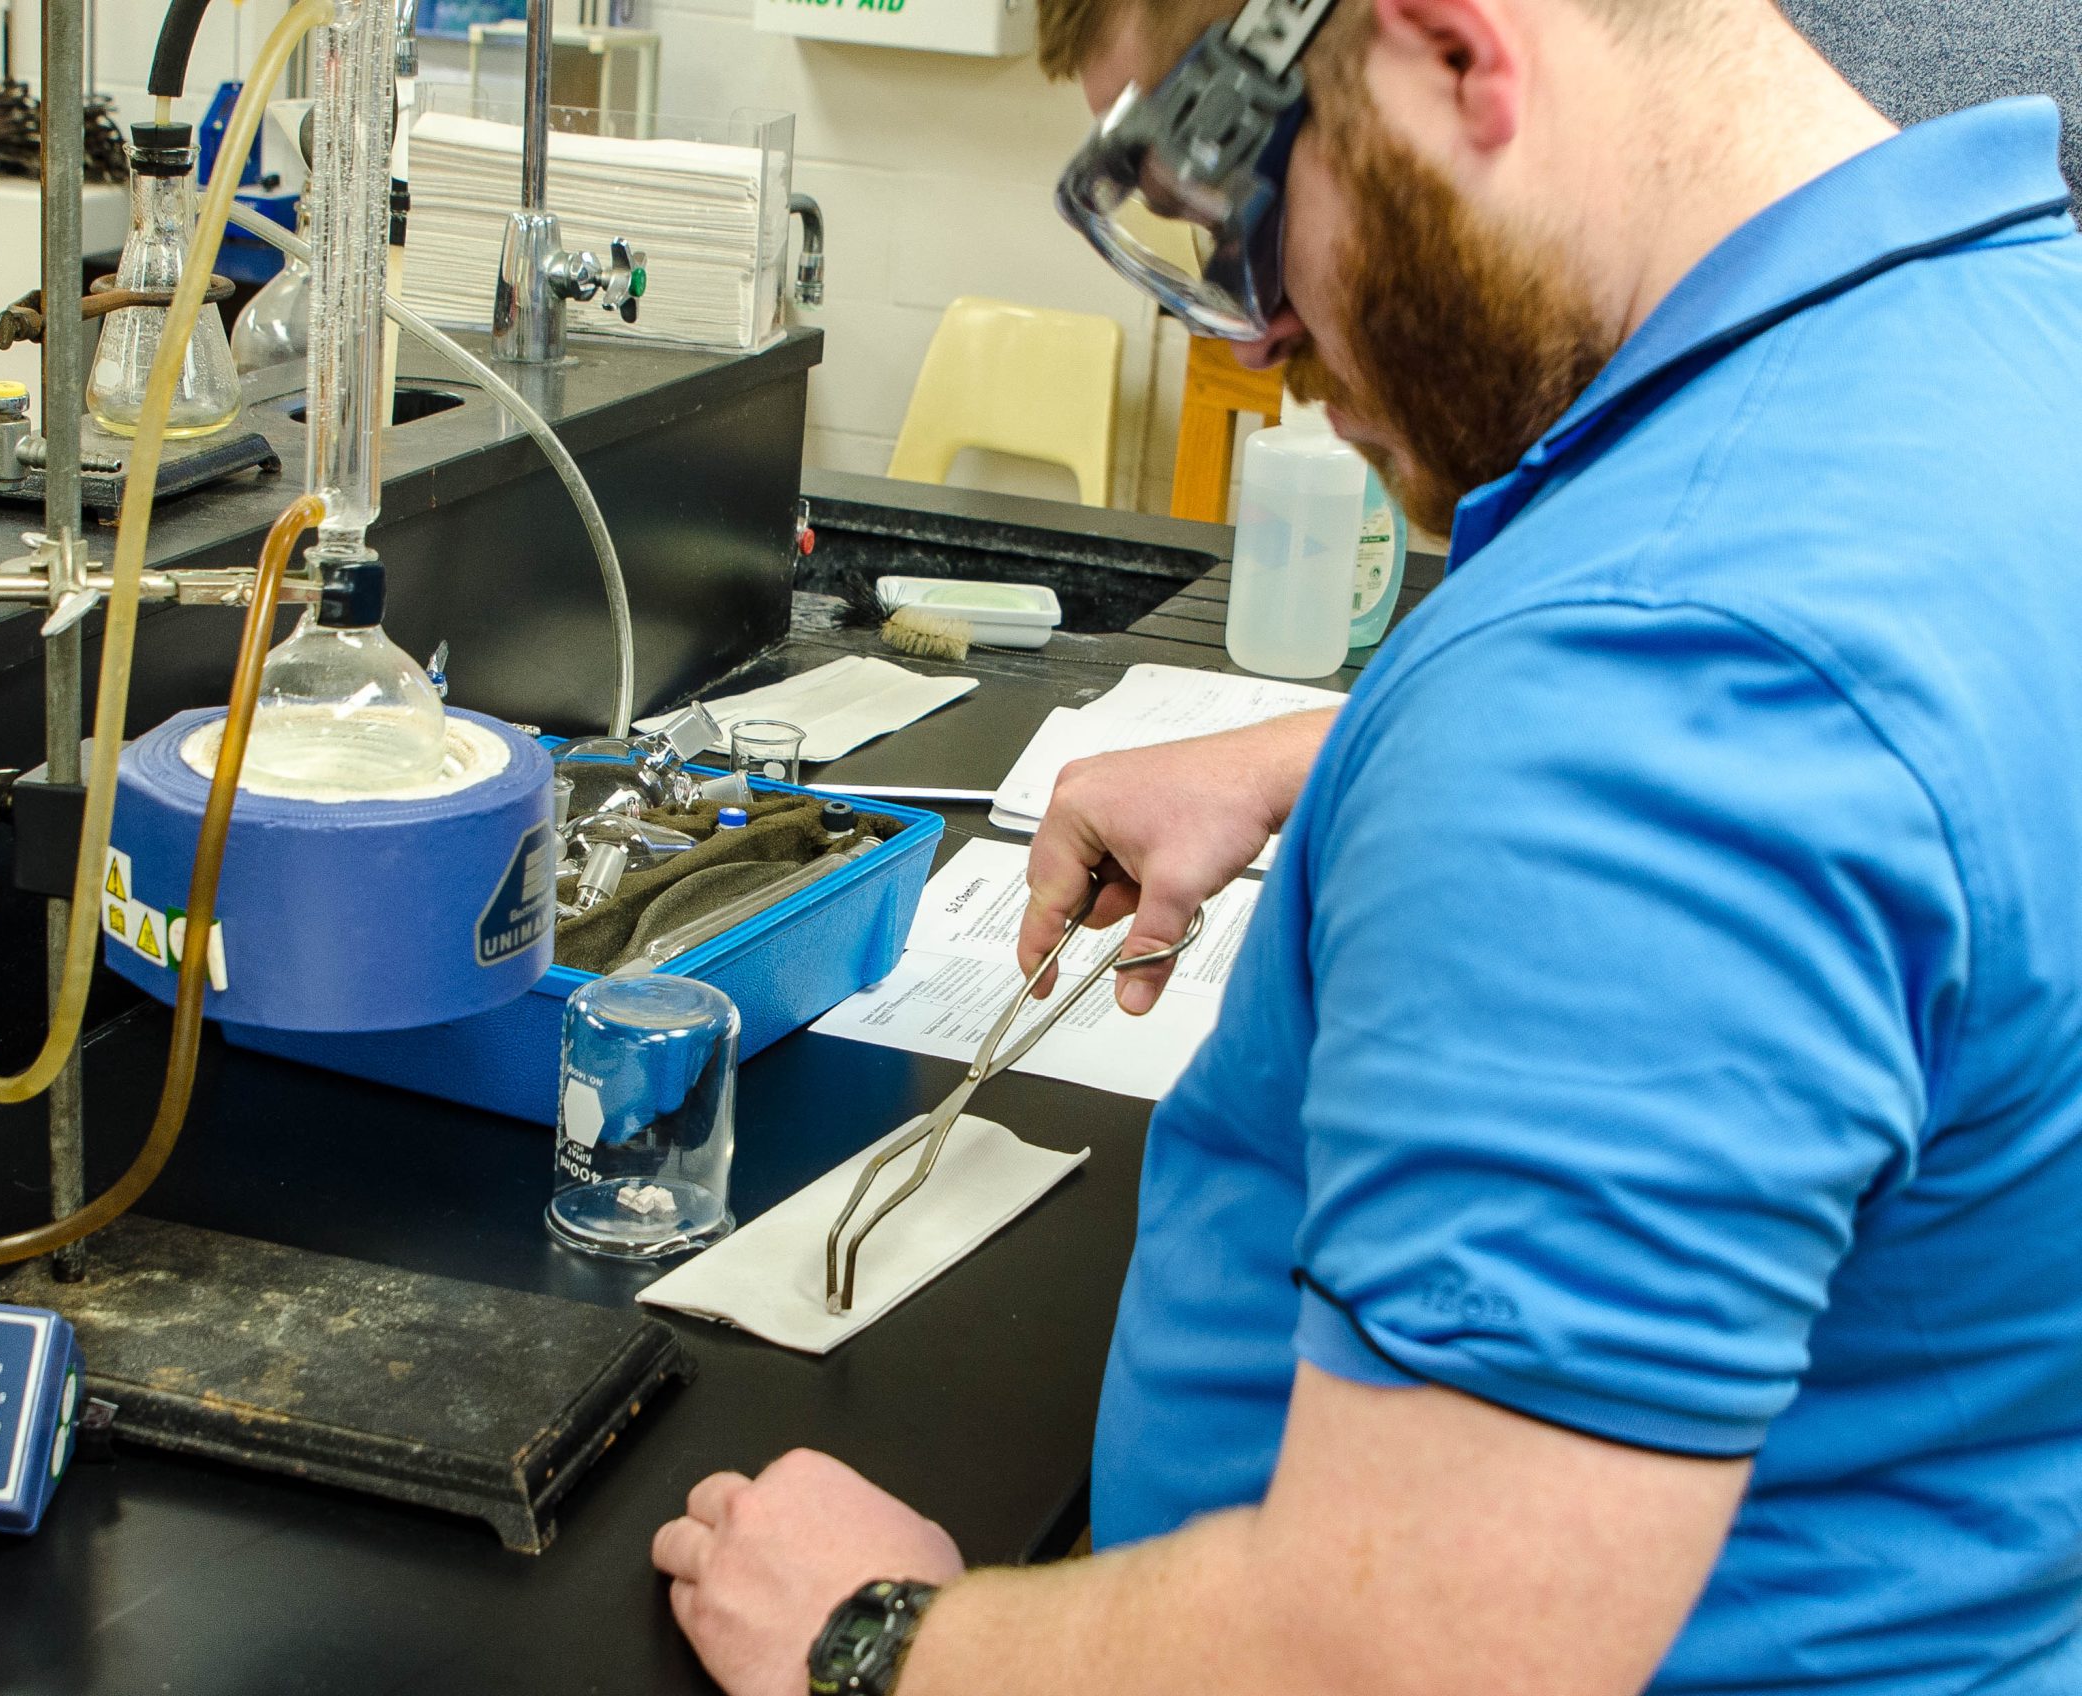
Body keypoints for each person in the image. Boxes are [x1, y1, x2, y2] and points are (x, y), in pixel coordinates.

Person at [649, 0, 2082, 1691]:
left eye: (1240, 210)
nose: (1258, 337)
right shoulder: (1991, 330)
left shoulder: (1637, 696)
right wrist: (1342, 754)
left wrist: (876, 1640)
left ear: (1454, 51)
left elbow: (1406, 1658)